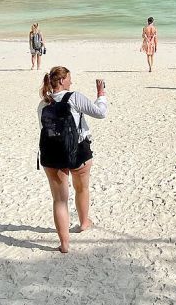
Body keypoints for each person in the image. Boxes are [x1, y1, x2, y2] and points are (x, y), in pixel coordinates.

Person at [38, 67, 107, 253]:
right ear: (61, 81)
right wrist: (101, 94)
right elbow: (100, 113)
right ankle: (84, 222)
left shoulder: (43, 103)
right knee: (81, 188)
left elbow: (45, 129)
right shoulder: (74, 97)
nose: (71, 82)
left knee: (59, 200)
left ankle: (64, 244)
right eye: (69, 79)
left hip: (52, 154)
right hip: (78, 151)